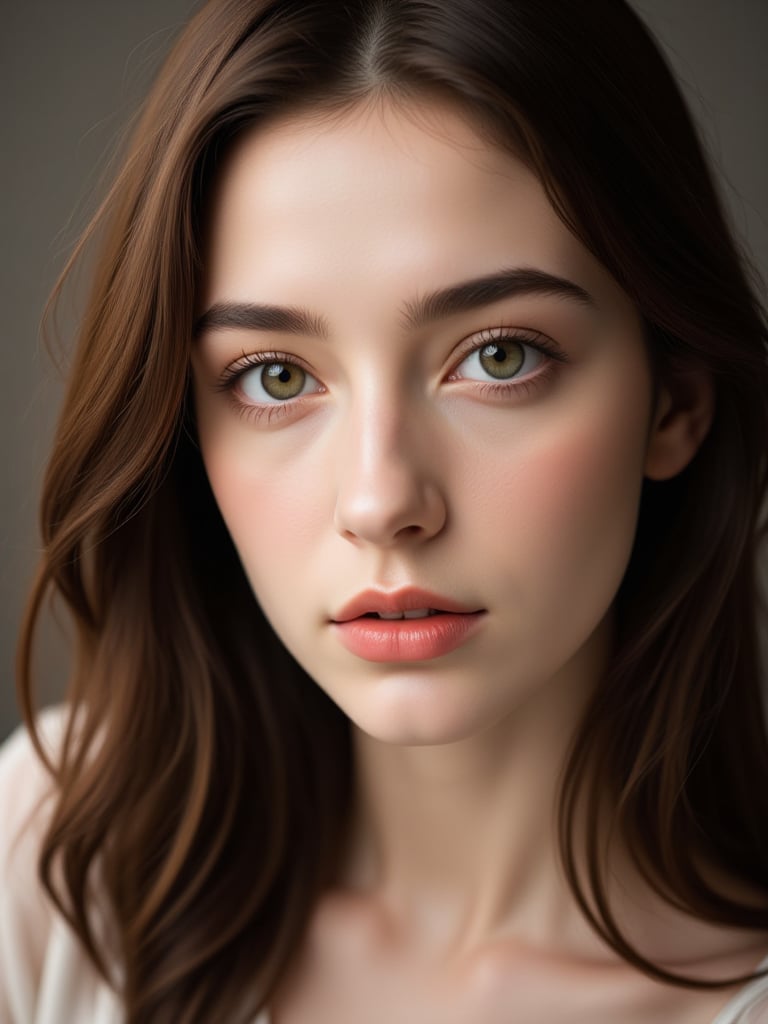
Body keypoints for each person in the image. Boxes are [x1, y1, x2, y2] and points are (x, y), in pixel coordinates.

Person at [2, 0, 768, 1020]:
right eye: (275, 377)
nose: (381, 501)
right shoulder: (55, 848)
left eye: (500, 356)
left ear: (673, 400)